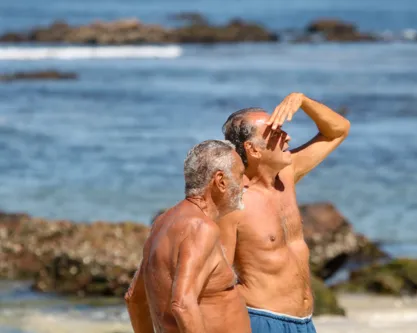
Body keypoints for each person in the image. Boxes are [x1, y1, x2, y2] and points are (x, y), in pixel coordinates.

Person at [220, 92, 350, 333]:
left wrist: (302, 100)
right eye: (277, 133)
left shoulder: (287, 175)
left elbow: (339, 130)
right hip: (260, 320)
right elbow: (214, 278)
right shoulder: (233, 201)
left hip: (304, 322)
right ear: (253, 149)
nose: (288, 136)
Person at [125, 139, 251, 333]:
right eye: (241, 175)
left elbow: (134, 298)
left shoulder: (163, 222)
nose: (246, 183)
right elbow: (183, 304)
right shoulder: (201, 227)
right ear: (221, 181)